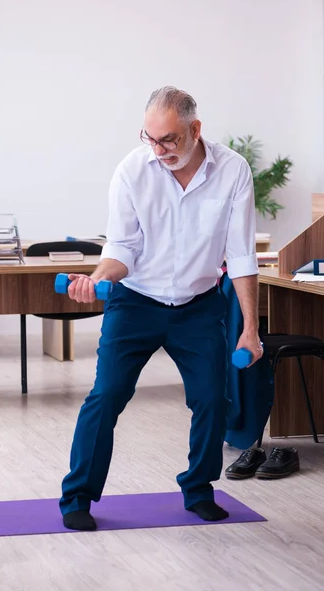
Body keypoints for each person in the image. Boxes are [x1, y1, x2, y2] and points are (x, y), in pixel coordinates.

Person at [59, 86, 263, 531]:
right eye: (150, 138)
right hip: (135, 301)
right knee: (108, 395)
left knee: (212, 398)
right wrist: (97, 280)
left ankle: (198, 489)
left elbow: (242, 255)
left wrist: (251, 329)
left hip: (198, 305)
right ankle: (76, 496)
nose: (158, 149)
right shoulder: (132, 171)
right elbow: (122, 246)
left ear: (195, 129)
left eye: (168, 139)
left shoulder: (233, 171)